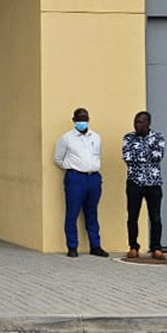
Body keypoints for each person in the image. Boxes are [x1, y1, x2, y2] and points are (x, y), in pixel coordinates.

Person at [54, 107, 107, 258]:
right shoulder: (66, 138)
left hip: (93, 178)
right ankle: (72, 246)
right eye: (79, 119)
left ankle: (95, 246)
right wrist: (71, 168)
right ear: (74, 120)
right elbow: (58, 158)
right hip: (75, 178)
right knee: (72, 213)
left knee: (92, 213)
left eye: (85, 119)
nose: (82, 122)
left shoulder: (96, 137)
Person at [123, 111, 166, 260]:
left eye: (141, 122)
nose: (137, 125)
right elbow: (128, 158)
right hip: (134, 182)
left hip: (153, 183)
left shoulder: (158, 137)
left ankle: (156, 248)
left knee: (155, 217)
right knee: (132, 216)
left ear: (148, 123)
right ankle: (133, 247)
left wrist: (139, 154)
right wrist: (146, 153)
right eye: (136, 122)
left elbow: (157, 157)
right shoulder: (128, 138)